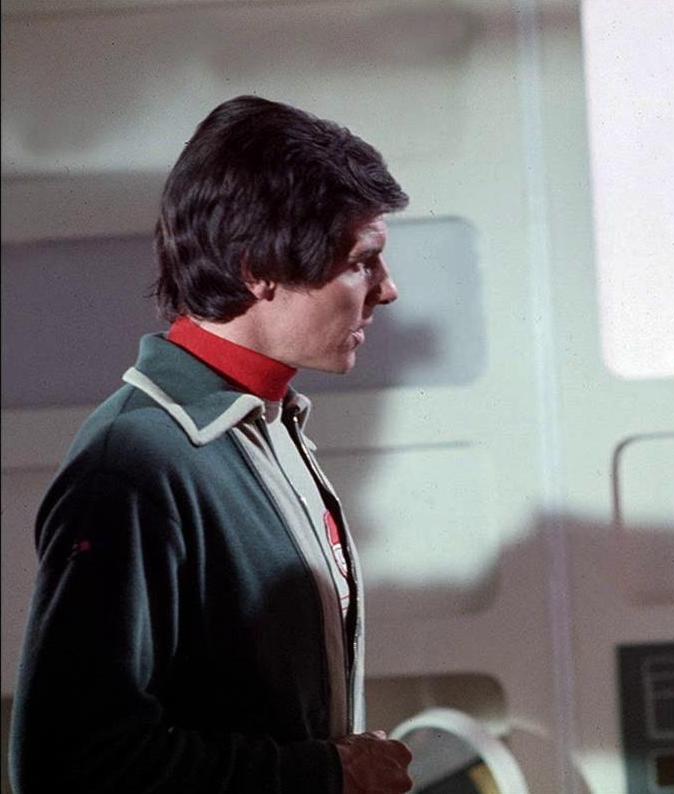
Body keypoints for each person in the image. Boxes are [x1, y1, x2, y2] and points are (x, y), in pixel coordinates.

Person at [10, 96, 414, 793]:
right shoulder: (134, 465)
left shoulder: (269, 429)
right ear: (257, 269)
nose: (388, 291)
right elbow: (69, 764)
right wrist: (328, 774)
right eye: (361, 262)